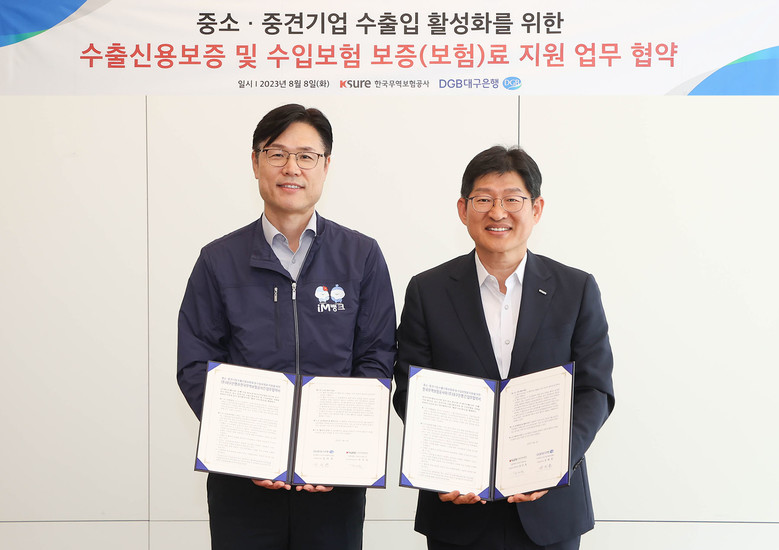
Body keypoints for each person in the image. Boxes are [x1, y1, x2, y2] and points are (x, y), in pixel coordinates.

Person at [177, 104, 396, 550]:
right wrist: (246, 446)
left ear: (326, 166)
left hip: (334, 482)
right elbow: (195, 363)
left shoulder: (361, 256)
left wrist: (339, 448)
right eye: (276, 154)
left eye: (306, 156)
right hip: (243, 481)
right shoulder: (218, 260)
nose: (291, 168)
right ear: (255, 162)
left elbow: (376, 357)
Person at [393, 146, 614, 550]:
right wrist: (444, 464)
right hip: (457, 508)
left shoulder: (576, 289)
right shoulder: (427, 290)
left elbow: (595, 390)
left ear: (536, 208)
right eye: (483, 200)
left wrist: (554, 462)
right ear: (463, 209)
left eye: (512, 199)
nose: (498, 212)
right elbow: (410, 389)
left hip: (550, 510)